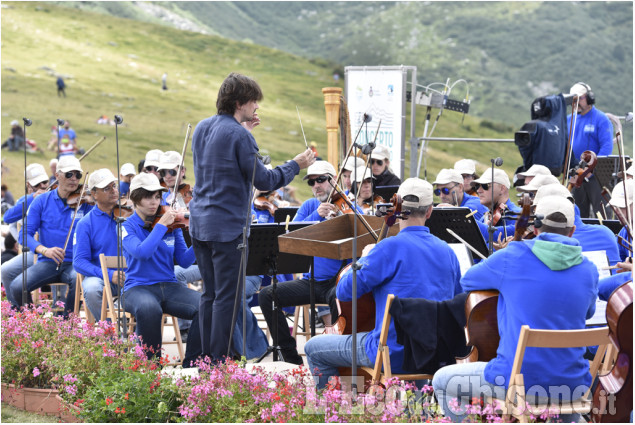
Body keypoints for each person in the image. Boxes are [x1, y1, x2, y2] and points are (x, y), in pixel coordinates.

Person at [432, 195, 598, 423]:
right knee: (565, 407)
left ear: (536, 227)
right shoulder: (589, 270)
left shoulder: (513, 257)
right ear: (572, 231)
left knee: (442, 381)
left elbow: (468, 280)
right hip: (572, 384)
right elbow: (588, 313)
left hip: (518, 382)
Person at [189, 72, 314, 364]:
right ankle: (219, 364)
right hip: (227, 227)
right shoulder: (240, 135)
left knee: (209, 294)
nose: (256, 106)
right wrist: (296, 164)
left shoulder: (203, 127)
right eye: (253, 100)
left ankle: (206, 361)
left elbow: (226, 159)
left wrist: (245, 131)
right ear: (240, 102)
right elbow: (265, 179)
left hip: (199, 223)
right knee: (227, 298)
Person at [305, 178, 462, 388]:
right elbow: (456, 302)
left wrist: (363, 259)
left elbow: (343, 292)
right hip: (434, 355)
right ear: (429, 212)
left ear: (398, 207)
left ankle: (332, 410)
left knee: (314, 348)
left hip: (391, 354)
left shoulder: (388, 248)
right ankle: (416, 409)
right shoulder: (448, 253)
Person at [258, 160, 346, 365]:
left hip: (339, 280)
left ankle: (337, 356)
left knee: (341, 296)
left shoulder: (349, 206)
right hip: (311, 280)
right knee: (267, 295)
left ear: (334, 181)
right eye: (312, 182)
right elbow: (290, 234)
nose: (316, 186)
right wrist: (317, 216)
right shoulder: (309, 206)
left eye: (321, 180)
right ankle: (290, 357)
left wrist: (341, 219)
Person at [122, 173, 202, 366]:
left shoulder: (172, 226)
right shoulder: (126, 226)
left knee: (206, 305)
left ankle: (193, 364)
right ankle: (151, 369)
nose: (154, 202)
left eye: (157, 196)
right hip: (137, 288)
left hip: (169, 285)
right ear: (135, 198)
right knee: (149, 308)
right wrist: (160, 226)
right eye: (148, 196)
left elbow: (184, 261)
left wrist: (200, 239)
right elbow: (142, 253)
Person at [10, 156, 92, 316]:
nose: (74, 179)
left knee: (78, 279)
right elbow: (24, 235)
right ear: (57, 175)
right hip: (48, 261)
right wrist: (44, 250)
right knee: (16, 286)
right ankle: (32, 322)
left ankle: (67, 323)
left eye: (78, 175)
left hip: (76, 262)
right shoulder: (41, 201)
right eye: (69, 174)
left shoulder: (87, 202)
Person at [72, 169, 124, 321]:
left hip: (130, 273)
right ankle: (111, 331)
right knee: (91, 289)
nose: (113, 191)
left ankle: (139, 336)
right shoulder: (85, 223)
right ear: (94, 194)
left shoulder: (129, 215)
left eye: (114, 186)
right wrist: (108, 274)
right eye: (107, 188)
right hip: (101, 277)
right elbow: (79, 262)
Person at [1, 163, 49, 304]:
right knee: (5, 270)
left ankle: (66, 314)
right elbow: (8, 218)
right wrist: (33, 197)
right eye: (37, 184)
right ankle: (21, 311)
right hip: (34, 252)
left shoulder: (56, 195)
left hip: (57, 251)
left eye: (45, 182)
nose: (43, 186)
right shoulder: (27, 199)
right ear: (29, 185)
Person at [567, 82, 613, 218]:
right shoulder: (569, 119)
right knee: (578, 213)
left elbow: (606, 147)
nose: (577, 103)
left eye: (580, 98)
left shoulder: (601, 119)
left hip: (595, 176)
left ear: (589, 98)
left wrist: (590, 169)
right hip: (576, 174)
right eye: (574, 100)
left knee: (602, 213)